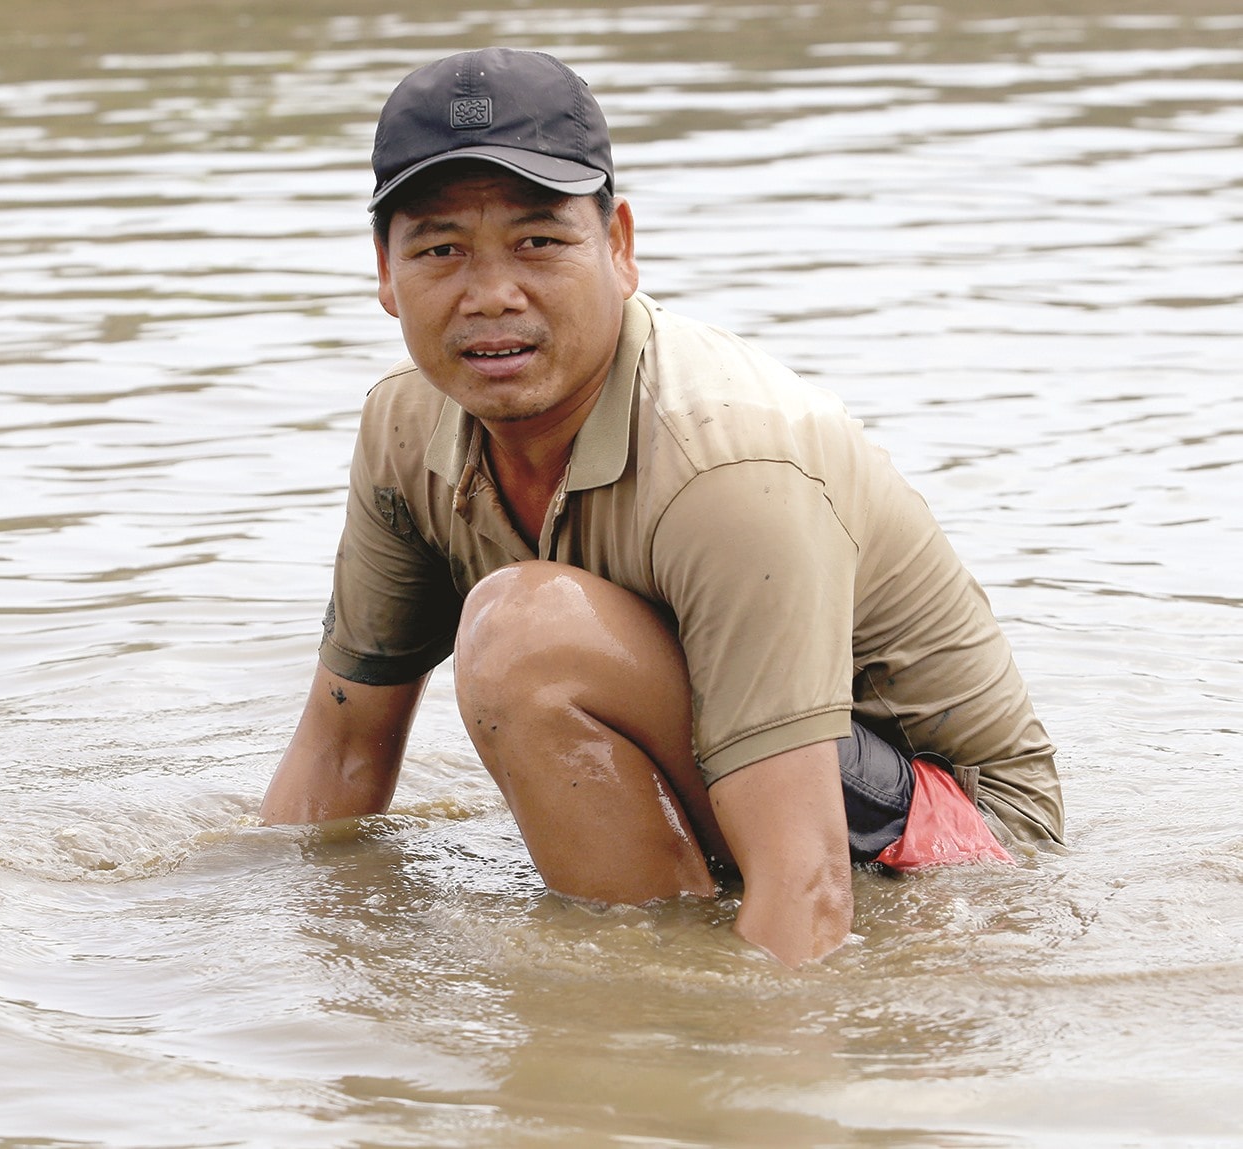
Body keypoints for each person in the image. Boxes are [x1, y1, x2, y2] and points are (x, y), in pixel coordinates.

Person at [259, 47, 1064, 966]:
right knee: (524, 641)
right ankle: (643, 979)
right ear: (386, 272)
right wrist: (252, 988)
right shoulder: (406, 428)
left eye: (538, 242)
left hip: (962, 848)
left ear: (621, 246)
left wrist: (702, 1093)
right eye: (442, 249)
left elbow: (805, 886)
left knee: (523, 635)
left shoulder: (729, 464)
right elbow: (340, 752)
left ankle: (645, 1001)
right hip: (754, 776)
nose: (491, 294)